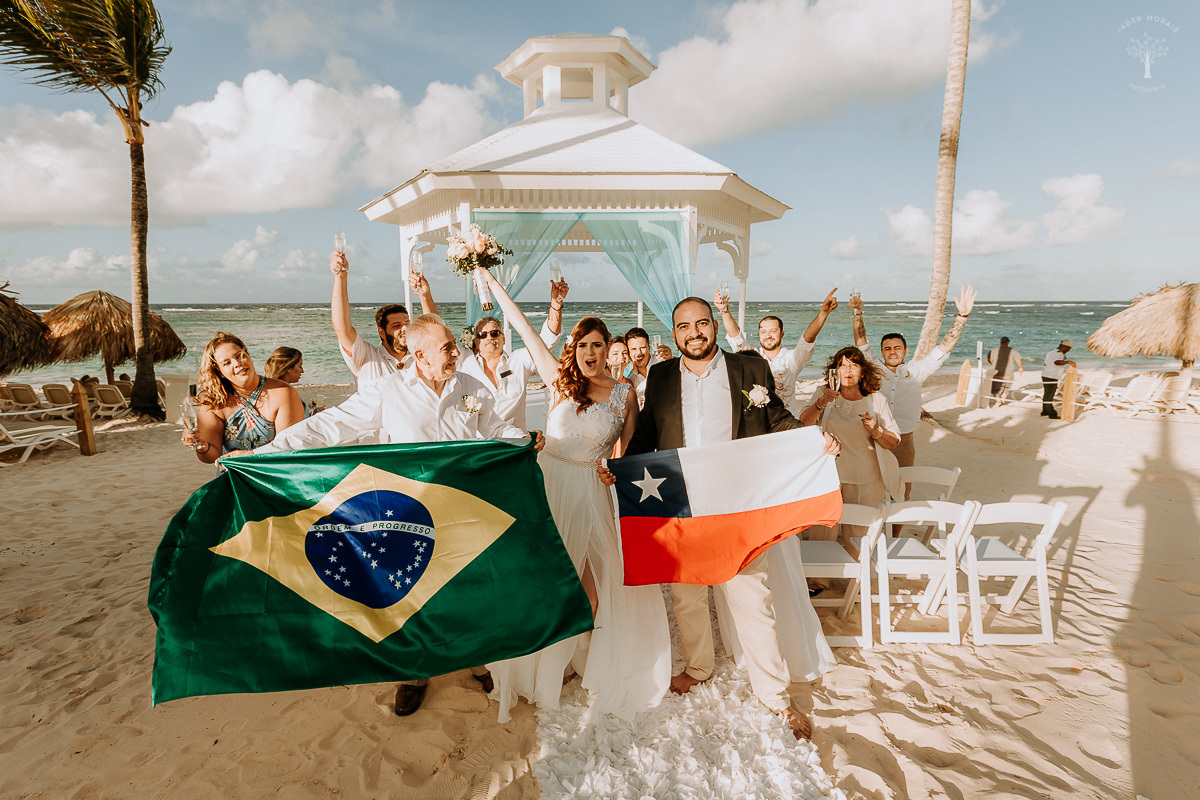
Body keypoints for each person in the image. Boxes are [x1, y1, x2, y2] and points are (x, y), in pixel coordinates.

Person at [253, 314, 544, 716]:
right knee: (414, 597)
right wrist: (262, 454)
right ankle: (414, 675)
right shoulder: (387, 390)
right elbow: (329, 426)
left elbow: (491, 427)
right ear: (420, 355)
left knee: (463, 588)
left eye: (454, 346)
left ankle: (474, 657)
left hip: (461, 507)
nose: (456, 352)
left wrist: (524, 440)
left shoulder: (471, 388)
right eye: (446, 348)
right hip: (408, 514)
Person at [620, 296, 840, 740]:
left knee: (753, 599)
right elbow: (645, 434)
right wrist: (621, 466)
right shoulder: (661, 376)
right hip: (681, 503)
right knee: (686, 597)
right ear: (675, 332)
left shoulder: (749, 368)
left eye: (702, 323)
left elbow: (774, 416)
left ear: (714, 328)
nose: (694, 332)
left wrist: (812, 436)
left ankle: (775, 695)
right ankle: (699, 668)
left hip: (736, 504)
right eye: (684, 326)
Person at [475, 267, 670, 723]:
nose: (589, 352)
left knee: (594, 583)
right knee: (547, 576)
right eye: (582, 345)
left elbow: (630, 454)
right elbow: (521, 325)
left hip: (591, 490)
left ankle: (581, 654)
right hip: (549, 482)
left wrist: (614, 475)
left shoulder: (624, 394)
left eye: (598, 345)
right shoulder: (560, 381)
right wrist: (491, 280)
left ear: (609, 351)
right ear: (573, 350)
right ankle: (549, 662)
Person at [799, 347, 903, 589]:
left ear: (862, 372)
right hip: (828, 476)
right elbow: (802, 425)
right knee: (823, 529)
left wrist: (874, 429)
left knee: (859, 533)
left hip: (866, 476)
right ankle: (818, 579)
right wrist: (821, 402)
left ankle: (855, 582)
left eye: (853, 365)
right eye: (842, 365)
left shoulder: (877, 401)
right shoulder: (822, 396)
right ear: (834, 370)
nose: (847, 370)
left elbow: (894, 442)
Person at [850, 286, 975, 472]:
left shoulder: (918, 369)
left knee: (903, 483)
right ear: (882, 352)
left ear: (906, 351)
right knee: (872, 482)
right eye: (888, 348)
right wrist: (857, 313)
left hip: (904, 437)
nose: (893, 352)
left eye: (897, 348)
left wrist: (962, 317)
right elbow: (861, 341)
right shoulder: (874, 367)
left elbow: (944, 347)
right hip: (872, 434)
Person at [456, 278, 568, 429]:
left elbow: (546, 342)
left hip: (514, 443)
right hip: (478, 445)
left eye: (494, 333)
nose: (489, 337)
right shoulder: (465, 363)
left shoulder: (519, 361)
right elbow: (440, 340)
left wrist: (556, 303)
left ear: (503, 338)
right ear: (476, 342)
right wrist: (425, 295)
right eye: (483, 335)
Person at [181, 332, 305, 463]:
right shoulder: (213, 403)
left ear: (248, 355)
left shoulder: (283, 393)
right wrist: (201, 445)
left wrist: (251, 454)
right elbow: (210, 457)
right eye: (227, 363)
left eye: (239, 356)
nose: (237, 363)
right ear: (219, 372)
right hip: (234, 475)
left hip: (274, 473)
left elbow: (287, 448)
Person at [715, 288, 839, 416]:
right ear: (758, 334)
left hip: (786, 421)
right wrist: (724, 310)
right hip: (758, 421)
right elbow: (736, 337)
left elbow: (807, 339)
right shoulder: (751, 357)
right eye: (763, 332)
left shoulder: (792, 359)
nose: (768, 335)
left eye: (773, 331)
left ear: (782, 334)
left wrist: (824, 312)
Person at [330, 251, 437, 388]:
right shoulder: (367, 356)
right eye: (396, 325)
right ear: (381, 332)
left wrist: (425, 296)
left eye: (406, 323)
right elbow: (342, 328)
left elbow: (435, 332)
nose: (404, 328)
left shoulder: (420, 358)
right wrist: (340, 277)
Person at [625, 327, 672, 409]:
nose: (639, 353)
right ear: (629, 353)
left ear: (649, 348)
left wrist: (671, 360)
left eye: (642, 348)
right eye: (634, 349)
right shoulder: (631, 380)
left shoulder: (662, 362)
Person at [1042, 340, 1076, 419]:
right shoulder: (1059, 354)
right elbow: (1056, 362)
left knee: (1046, 394)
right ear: (1064, 347)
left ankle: (1045, 412)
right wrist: (1069, 362)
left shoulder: (1051, 352)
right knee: (1049, 396)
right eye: (1068, 348)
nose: (1068, 350)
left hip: (1046, 375)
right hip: (1051, 376)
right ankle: (1052, 414)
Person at [987, 337, 1023, 405]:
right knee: (1006, 388)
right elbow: (1018, 359)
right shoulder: (1013, 350)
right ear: (1008, 343)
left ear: (1000, 342)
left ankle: (998, 400)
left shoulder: (993, 350)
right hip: (1008, 373)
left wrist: (993, 364)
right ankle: (1003, 401)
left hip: (997, 372)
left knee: (995, 389)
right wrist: (1020, 368)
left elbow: (989, 359)